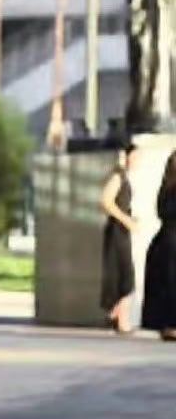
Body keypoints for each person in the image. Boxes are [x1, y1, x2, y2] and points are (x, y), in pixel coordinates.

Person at [99, 143, 139, 334]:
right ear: (126, 156)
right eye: (136, 156)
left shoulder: (124, 177)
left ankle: (117, 316)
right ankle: (119, 318)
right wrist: (126, 220)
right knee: (126, 276)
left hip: (121, 230)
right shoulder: (118, 176)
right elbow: (106, 201)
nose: (138, 160)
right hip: (117, 231)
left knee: (124, 275)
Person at [141, 147, 176, 342]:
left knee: (166, 284)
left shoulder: (166, 188)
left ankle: (167, 325)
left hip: (165, 240)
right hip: (172, 241)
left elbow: (161, 213)